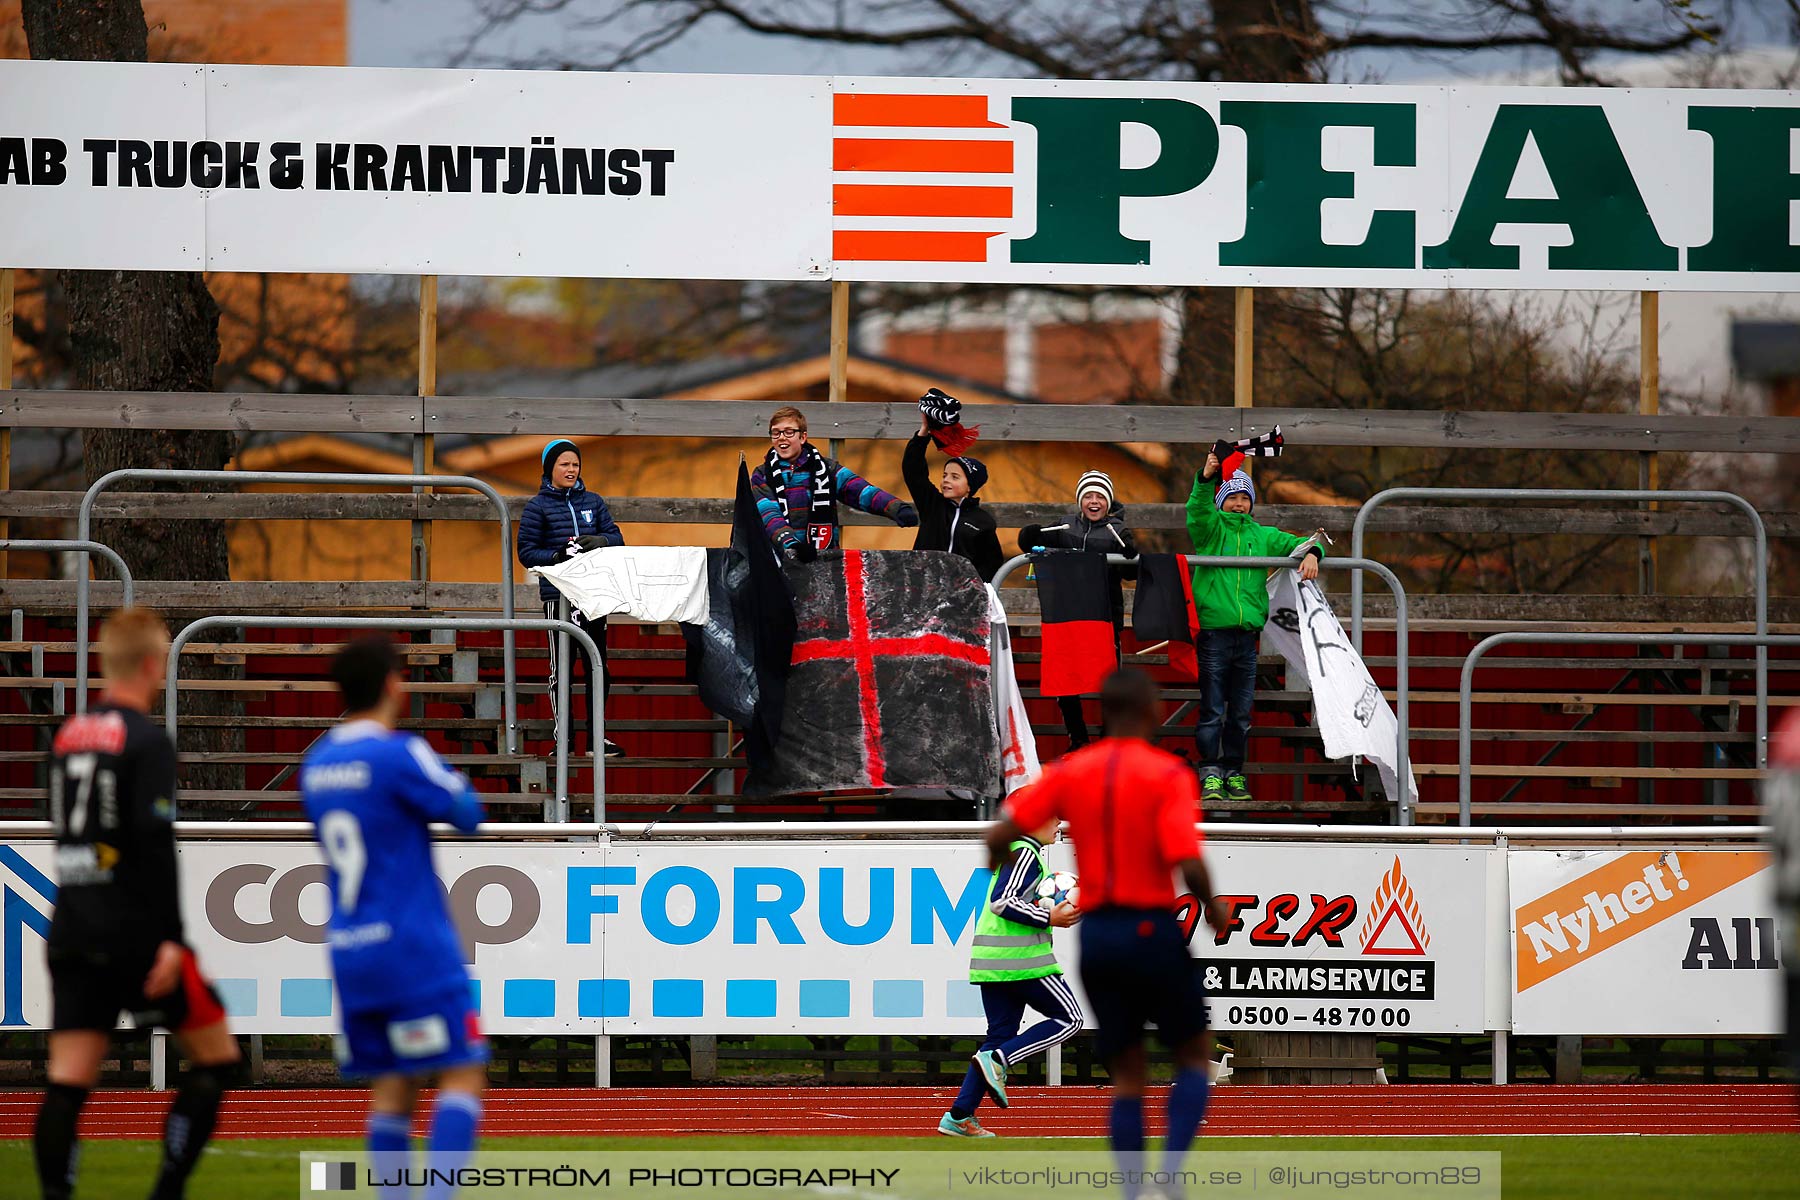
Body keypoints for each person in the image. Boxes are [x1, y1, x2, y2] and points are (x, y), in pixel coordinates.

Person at [986, 670, 1224, 1190]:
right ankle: (1171, 1171)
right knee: (1192, 1054)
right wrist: (1213, 906)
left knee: (1127, 1078)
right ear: (1148, 710)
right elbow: (1187, 858)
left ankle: (1133, 1186)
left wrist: (996, 858)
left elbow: (1002, 830)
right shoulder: (1167, 774)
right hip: (1150, 927)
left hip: (1098, 937)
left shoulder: (1071, 772)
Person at [36, 608, 240, 1200]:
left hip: (73, 923)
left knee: (67, 1082)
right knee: (217, 1059)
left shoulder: (67, 736)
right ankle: (167, 1191)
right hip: (134, 931)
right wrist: (172, 937)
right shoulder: (148, 741)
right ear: (154, 665)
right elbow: (153, 843)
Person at [301, 638, 488, 1198]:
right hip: (411, 946)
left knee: (393, 1089)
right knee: (461, 1071)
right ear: (391, 684)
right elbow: (466, 813)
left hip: (352, 950)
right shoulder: (397, 753)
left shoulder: (317, 765)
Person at [1186, 449, 1322, 804]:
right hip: (1215, 634)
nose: (1238, 503)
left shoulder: (1262, 535)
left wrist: (1312, 554)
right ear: (1220, 501)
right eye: (1231, 496)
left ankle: (1234, 772)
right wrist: (1206, 479)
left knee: (1242, 713)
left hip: (1248, 638)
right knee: (1214, 708)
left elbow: (1304, 542)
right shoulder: (1210, 531)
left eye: (1245, 497)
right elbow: (1197, 512)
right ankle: (1210, 772)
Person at [939, 818, 1082, 1138]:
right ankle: (1001, 1061)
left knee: (998, 1036)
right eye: (1054, 818)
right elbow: (1002, 901)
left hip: (994, 963)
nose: (1059, 824)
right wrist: (1050, 915)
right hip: (1019, 962)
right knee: (1069, 1019)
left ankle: (959, 1116)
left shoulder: (1020, 852)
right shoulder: (1026, 852)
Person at [517, 438, 626, 759]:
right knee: (561, 669)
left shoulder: (593, 501)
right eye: (564, 464)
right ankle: (563, 740)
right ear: (550, 468)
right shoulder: (538, 507)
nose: (571, 469)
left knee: (598, 666)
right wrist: (557, 555)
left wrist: (600, 540)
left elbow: (618, 538)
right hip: (559, 598)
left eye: (575, 464)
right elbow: (527, 552)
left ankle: (596, 739)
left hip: (594, 596)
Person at [1019, 470, 1138, 748]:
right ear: (1079, 500)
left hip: (1103, 616)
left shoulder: (1119, 531)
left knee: (1111, 680)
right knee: (1066, 677)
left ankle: (1111, 739)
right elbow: (1029, 542)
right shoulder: (1064, 526)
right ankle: (1078, 738)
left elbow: (1131, 573)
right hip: (1068, 614)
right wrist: (1029, 533)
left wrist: (1131, 556)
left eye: (1100, 497)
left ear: (1108, 502)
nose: (1094, 502)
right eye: (1088, 496)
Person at [751, 405, 917, 563]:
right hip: (779, 559)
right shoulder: (762, 474)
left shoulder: (827, 469)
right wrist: (791, 544)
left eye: (788, 432)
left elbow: (859, 490)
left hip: (824, 557)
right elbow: (769, 514)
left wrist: (895, 507)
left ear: (802, 437)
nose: (781, 437)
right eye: (776, 433)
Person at [904, 390, 1003, 581]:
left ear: (969, 487)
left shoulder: (983, 521)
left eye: (955, 476)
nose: (946, 480)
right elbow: (913, 471)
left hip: (961, 595)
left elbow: (990, 563)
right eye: (944, 475)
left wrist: (974, 589)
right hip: (923, 587)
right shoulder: (932, 505)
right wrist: (923, 433)